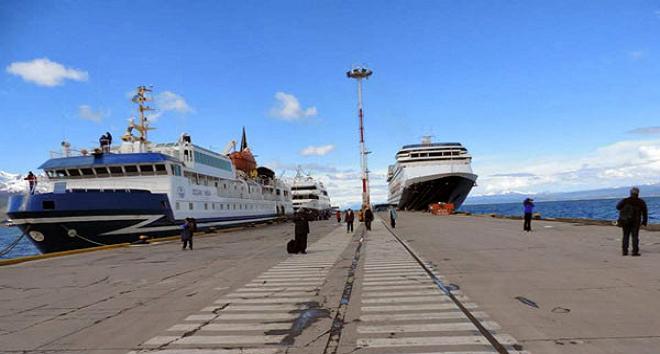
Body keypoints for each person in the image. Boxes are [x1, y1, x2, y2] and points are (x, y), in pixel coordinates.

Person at [616, 187, 648, 256]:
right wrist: (644, 222)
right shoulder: (641, 201)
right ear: (638, 193)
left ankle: (625, 251)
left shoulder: (625, 200)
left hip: (625, 221)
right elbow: (645, 212)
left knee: (625, 235)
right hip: (636, 221)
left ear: (630, 193)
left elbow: (618, 207)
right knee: (635, 236)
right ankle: (635, 252)